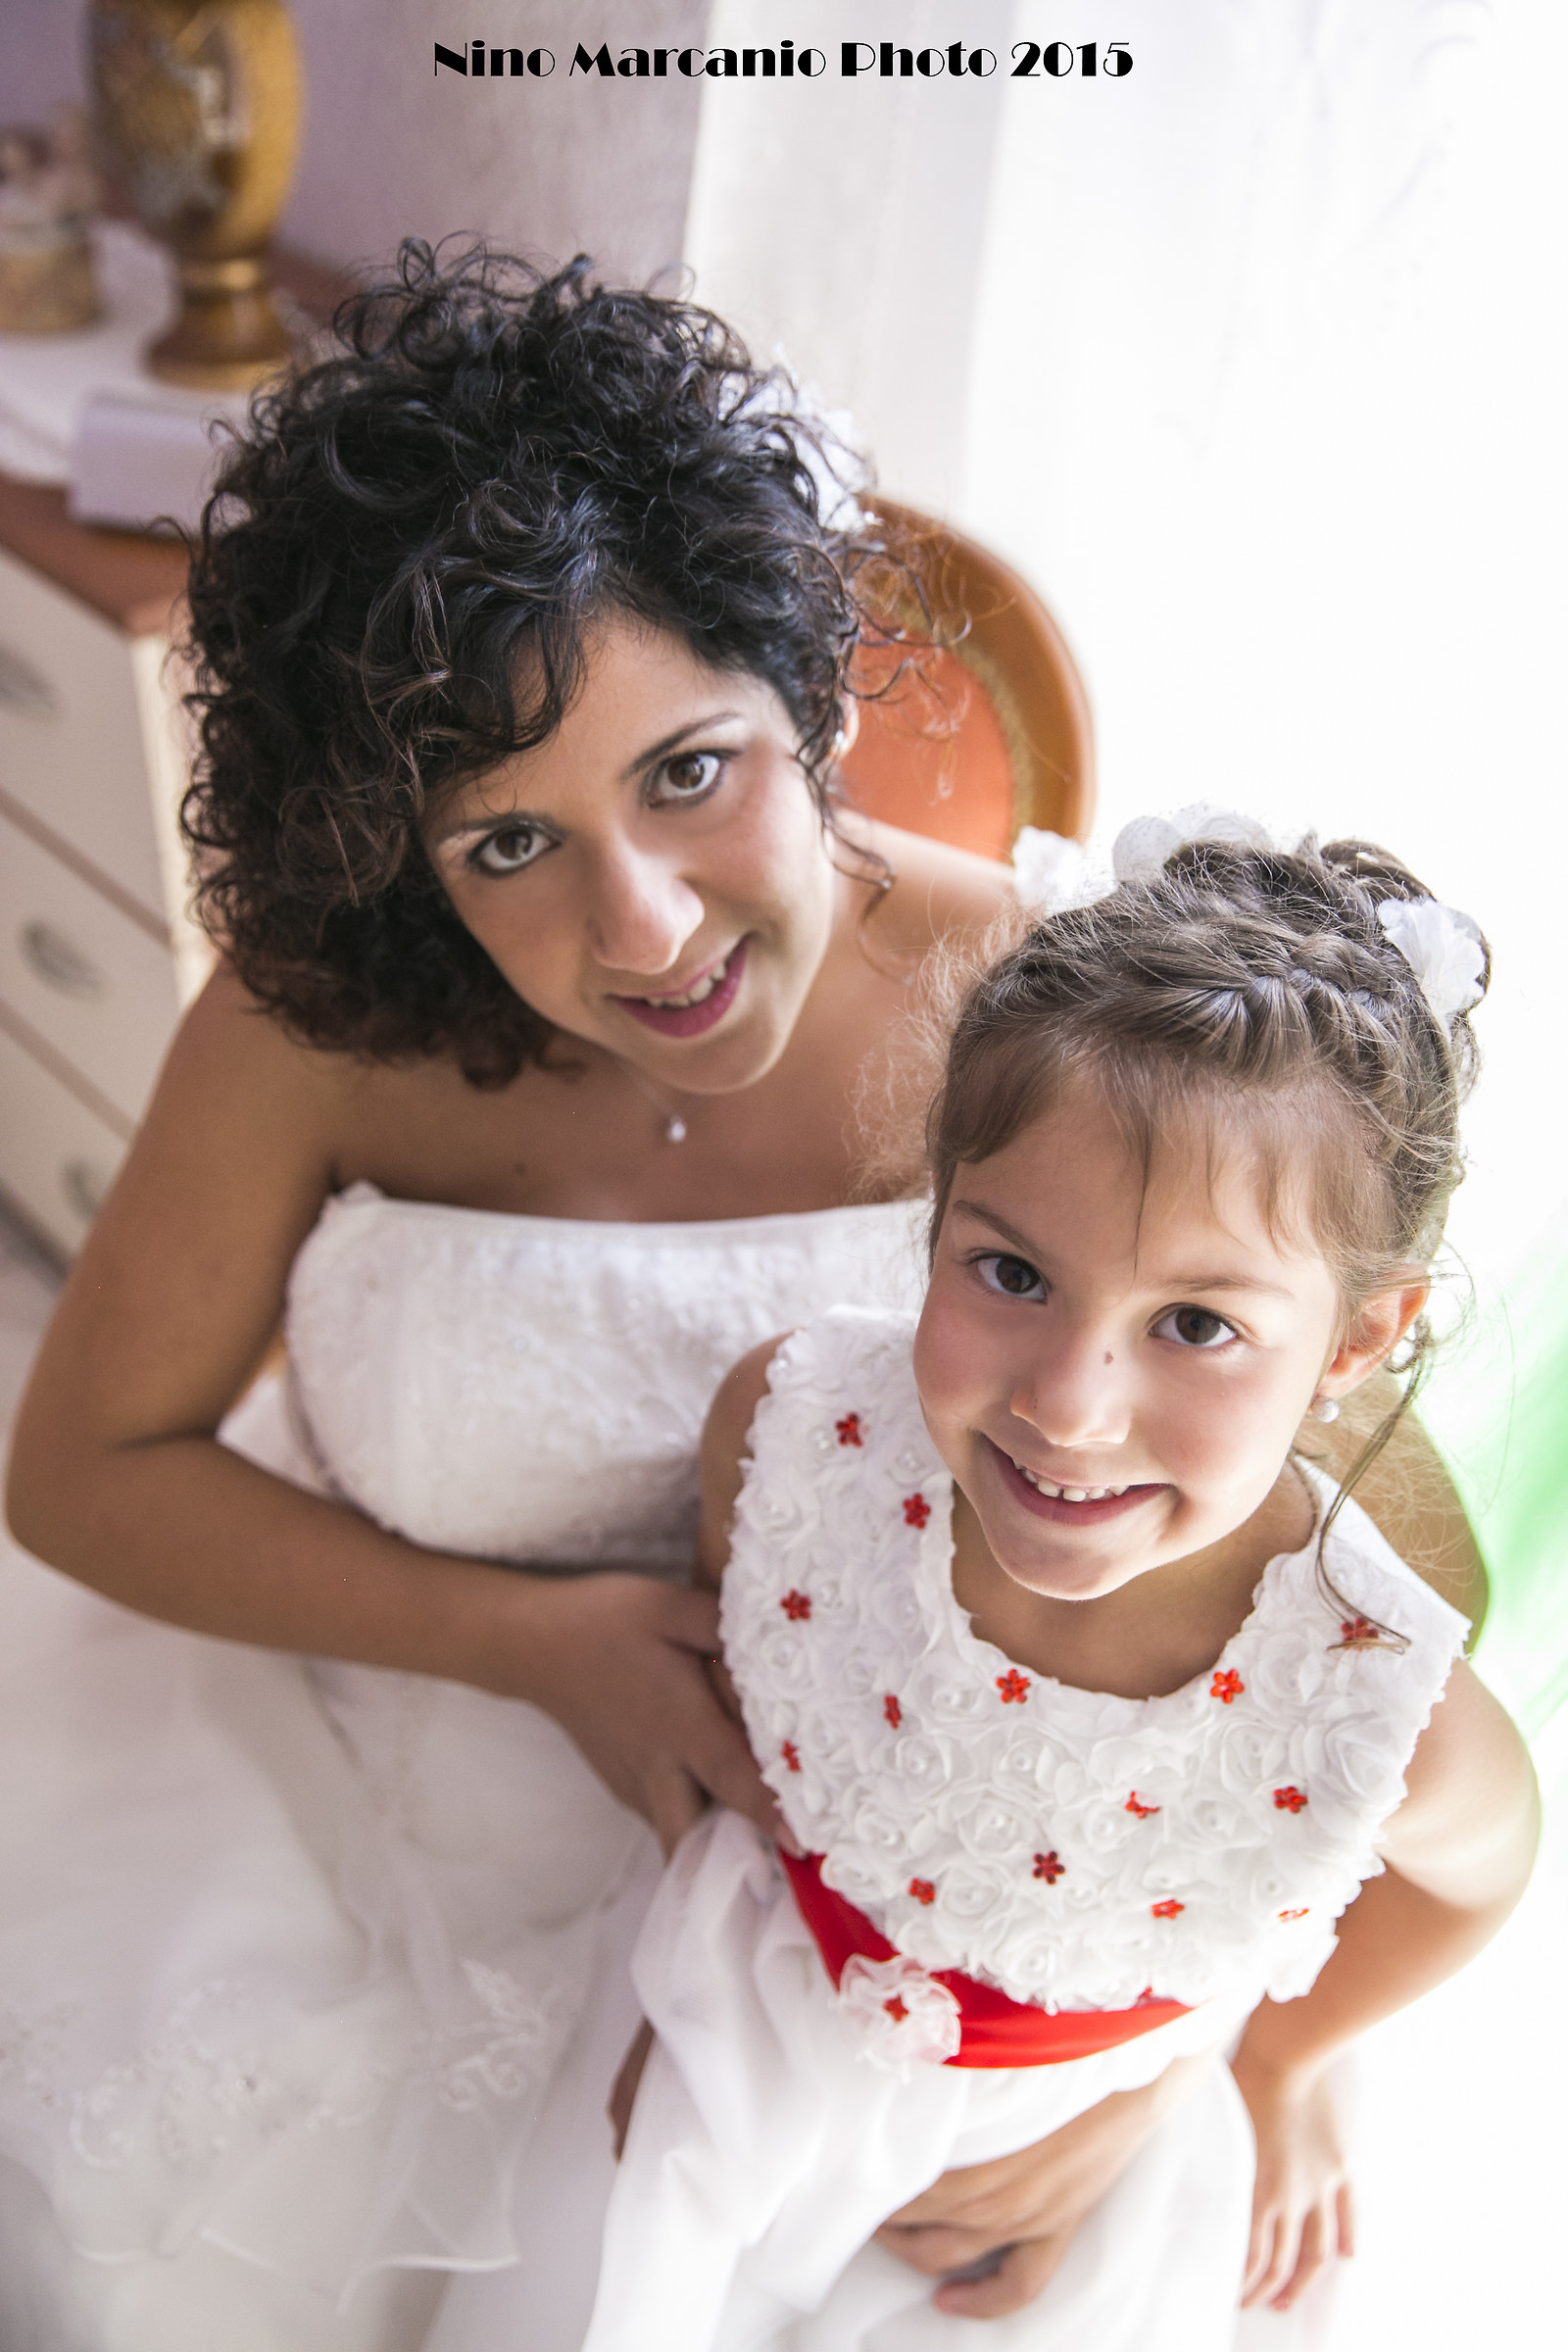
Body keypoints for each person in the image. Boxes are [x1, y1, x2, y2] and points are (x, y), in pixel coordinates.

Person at [0, 249, 1485, 2352]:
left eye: (689, 770)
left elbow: (1368, 1577)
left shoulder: (1059, 1033)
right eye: (505, 847)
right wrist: (529, 1647)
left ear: (810, 697)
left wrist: (1193, 2052)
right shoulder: (312, 1030)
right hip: (388, 1797)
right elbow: (84, 1468)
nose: (640, 929)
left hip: (955, 1910)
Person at [586, 827, 1538, 2352]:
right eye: (1013, 1274)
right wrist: (703, 1985)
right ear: (938, 1207)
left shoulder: (1377, 1701)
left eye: (1197, 1325)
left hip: (1079, 2136)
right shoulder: (794, 1432)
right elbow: (753, 1691)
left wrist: (1262, 2058)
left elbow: (1482, 1879)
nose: (1070, 1409)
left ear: (1356, 1344)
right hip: (744, 2030)